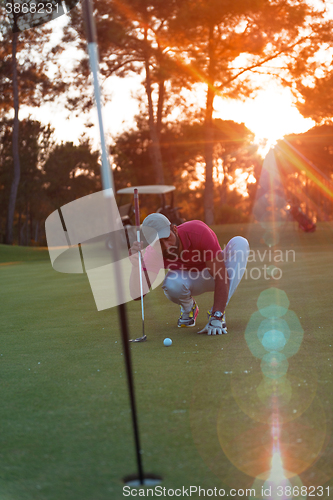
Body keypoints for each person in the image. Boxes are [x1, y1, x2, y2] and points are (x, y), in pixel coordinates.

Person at [129, 214, 249, 336]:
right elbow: (138, 295)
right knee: (172, 283)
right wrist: (135, 266)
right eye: (159, 243)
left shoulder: (197, 231)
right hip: (190, 281)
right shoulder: (153, 253)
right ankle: (188, 308)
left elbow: (220, 276)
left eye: (167, 238)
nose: (166, 246)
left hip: (216, 272)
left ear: (175, 229)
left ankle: (217, 315)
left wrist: (217, 314)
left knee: (240, 243)